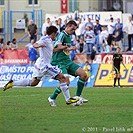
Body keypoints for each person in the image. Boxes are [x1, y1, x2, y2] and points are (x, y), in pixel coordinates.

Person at [3, 26, 79, 106]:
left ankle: (13, 83)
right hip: (44, 65)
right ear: (53, 33)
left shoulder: (50, 41)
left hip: (40, 64)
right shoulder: (45, 39)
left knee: (34, 83)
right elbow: (36, 44)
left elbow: (53, 50)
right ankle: (68, 99)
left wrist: (66, 48)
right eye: (56, 34)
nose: (56, 36)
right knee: (62, 78)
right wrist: (37, 45)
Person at [49, 20, 88, 103]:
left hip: (67, 61)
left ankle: (78, 96)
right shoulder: (61, 35)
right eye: (72, 29)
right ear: (67, 27)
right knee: (66, 82)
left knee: (83, 75)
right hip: (59, 62)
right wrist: (66, 47)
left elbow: (64, 49)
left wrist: (69, 49)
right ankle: (52, 98)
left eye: (74, 30)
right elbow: (57, 46)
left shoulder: (69, 36)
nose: (73, 31)